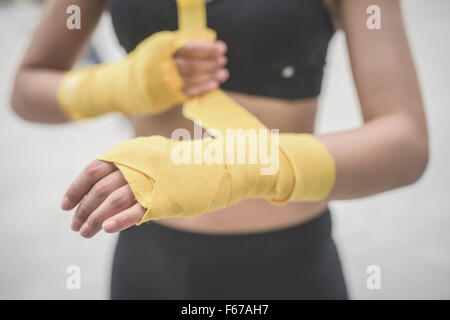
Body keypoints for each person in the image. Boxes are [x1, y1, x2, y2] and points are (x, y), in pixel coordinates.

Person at [10, 0, 428, 299]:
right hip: (151, 262)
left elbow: (406, 142)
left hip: (290, 267)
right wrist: (122, 83)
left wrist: (233, 166)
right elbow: (28, 87)